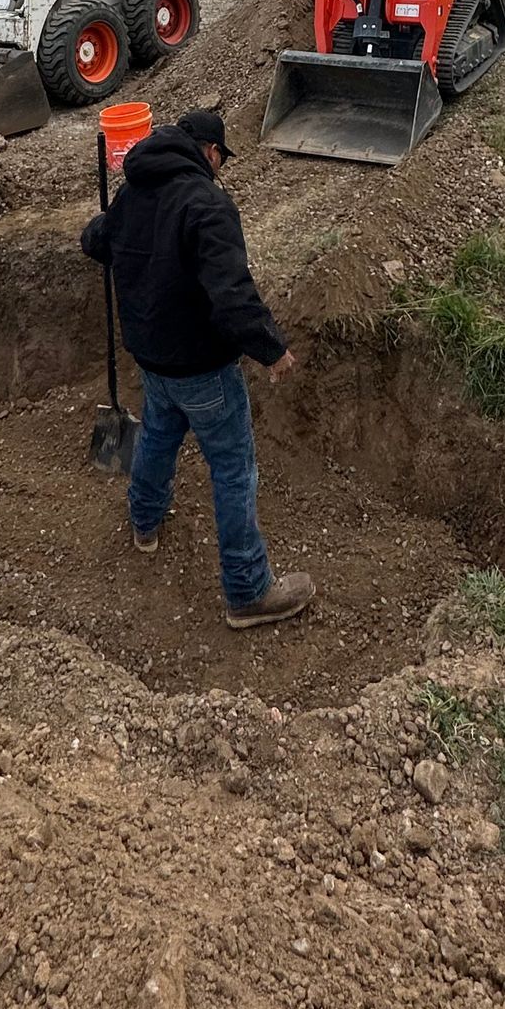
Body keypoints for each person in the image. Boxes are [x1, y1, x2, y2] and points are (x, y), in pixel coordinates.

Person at [81, 106, 315, 630]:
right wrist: (271, 349)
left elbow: (95, 242)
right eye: (220, 159)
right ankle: (248, 592)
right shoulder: (208, 204)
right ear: (210, 153)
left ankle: (144, 522)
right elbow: (232, 295)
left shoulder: (133, 191)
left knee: (160, 438)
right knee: (233, 470)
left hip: (153, 359)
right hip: (203, 368)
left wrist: (111, 225)